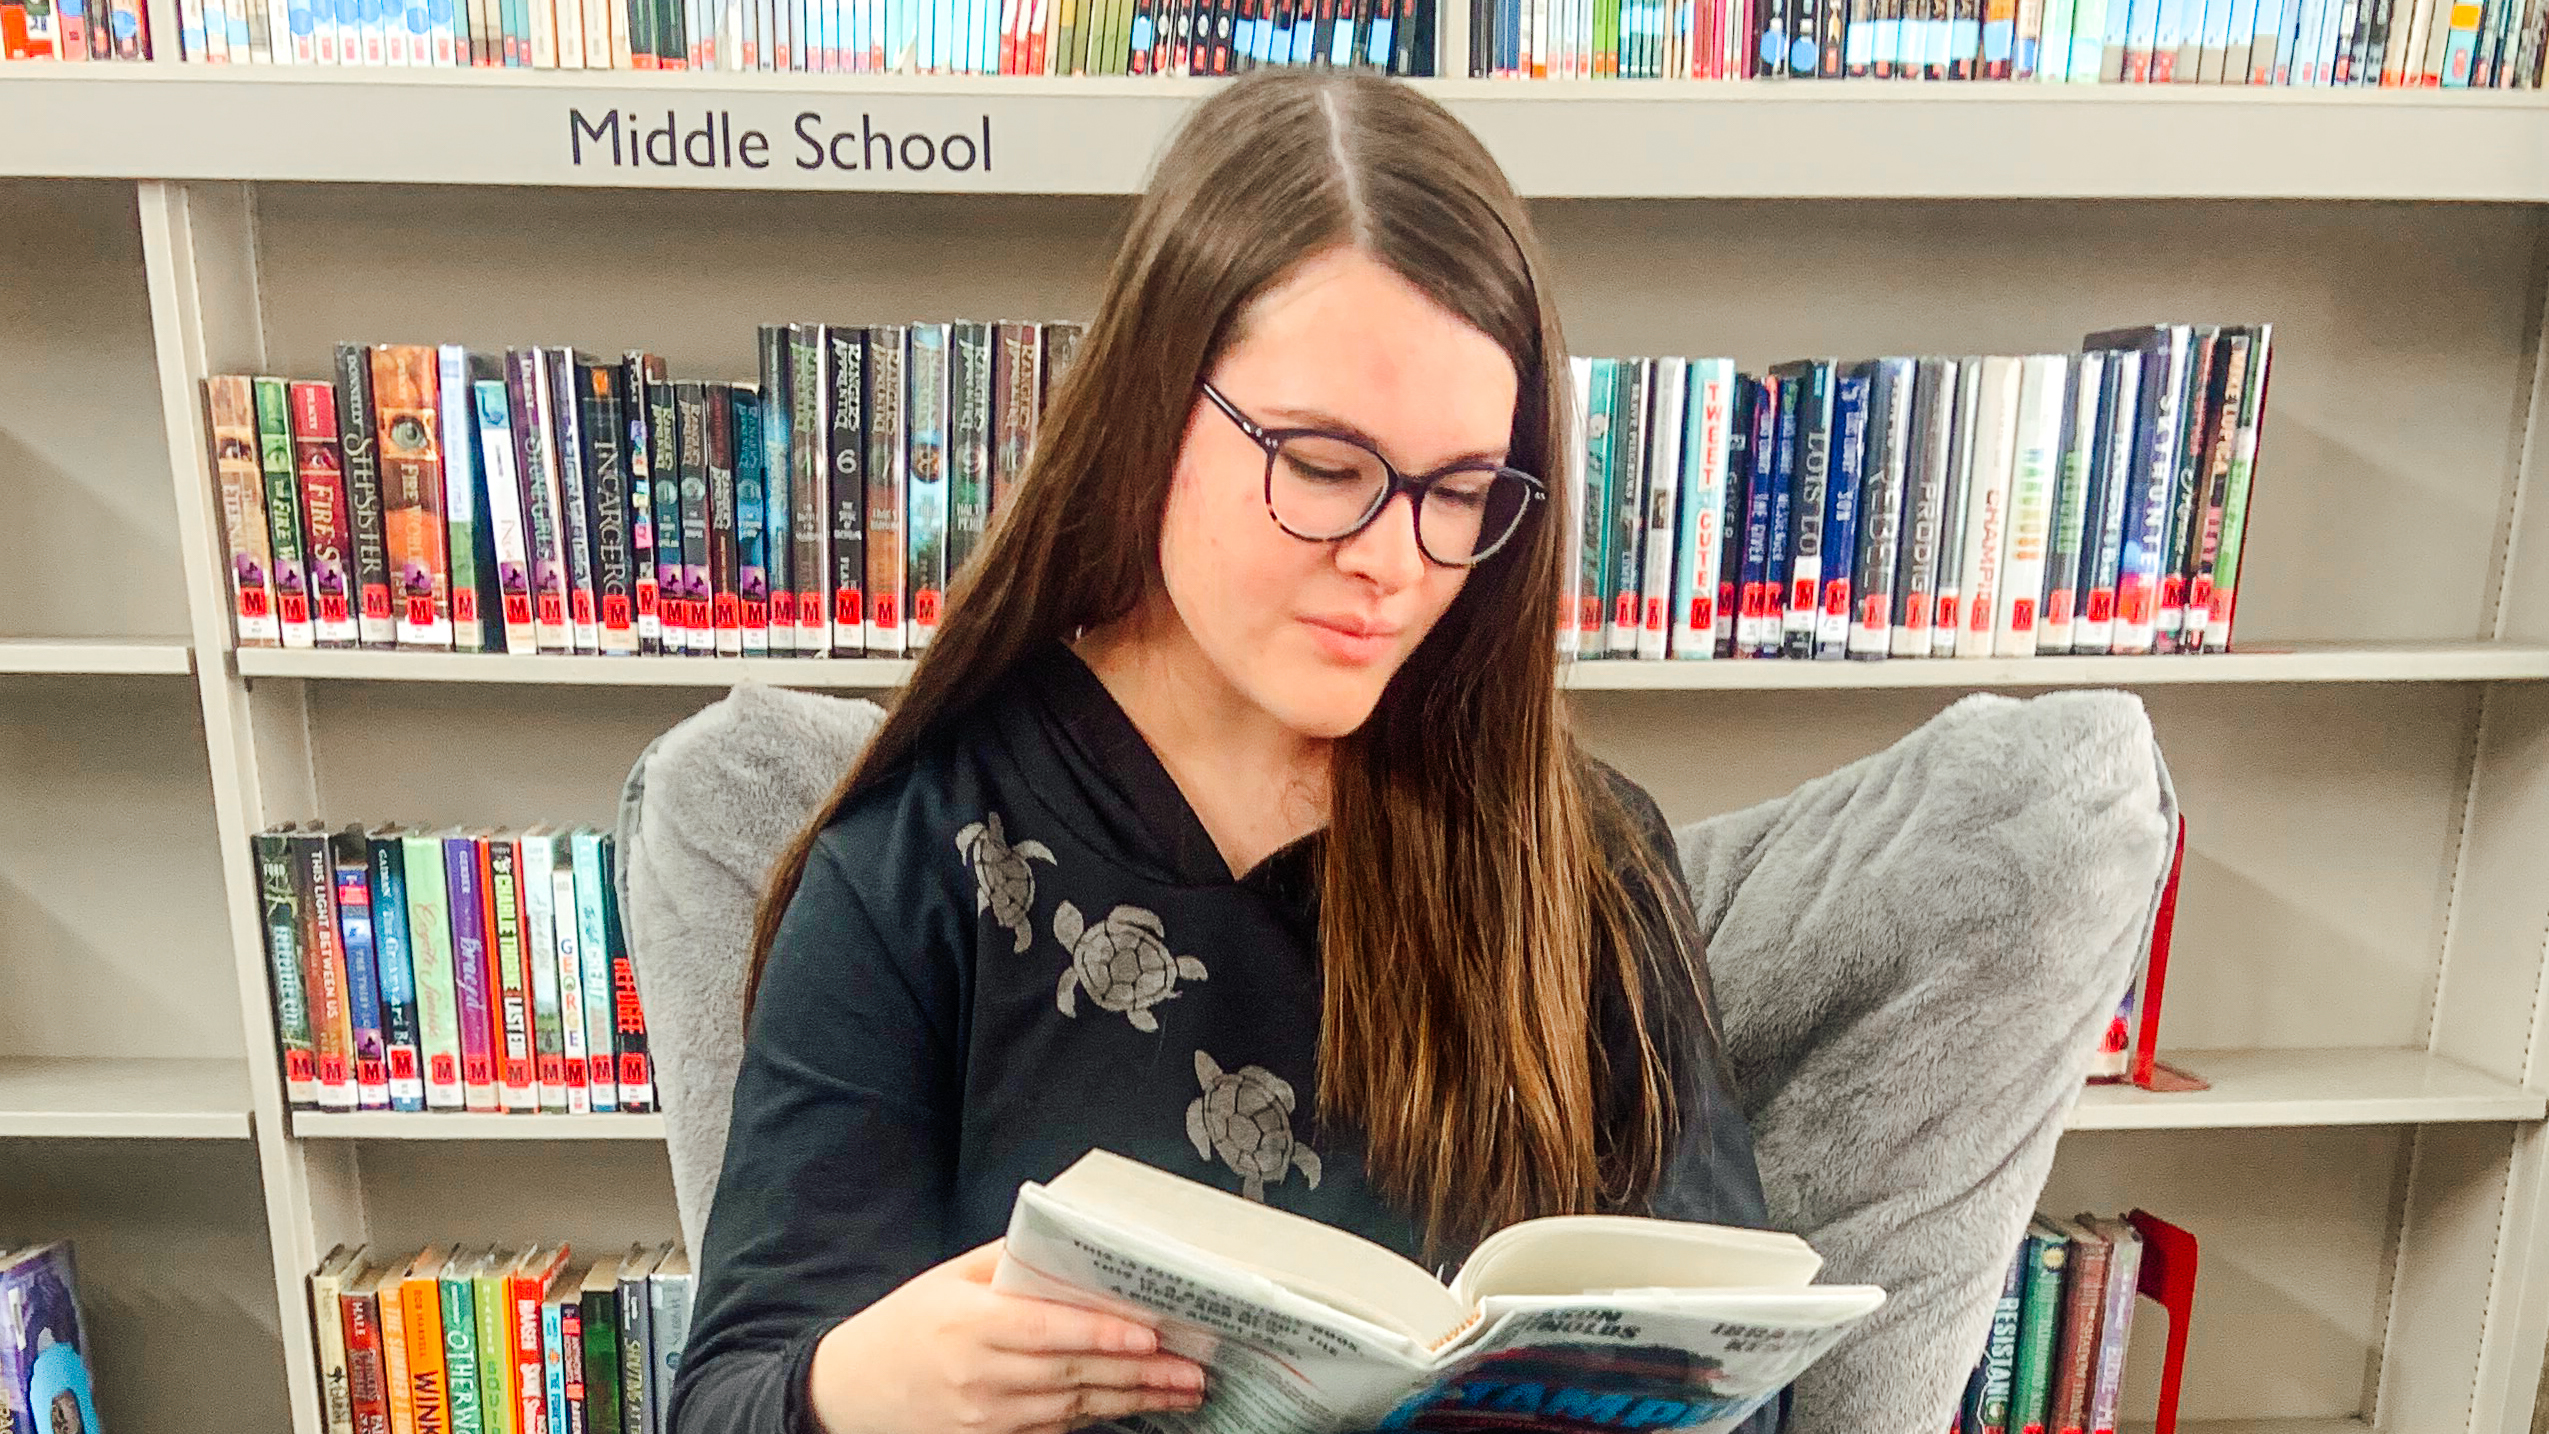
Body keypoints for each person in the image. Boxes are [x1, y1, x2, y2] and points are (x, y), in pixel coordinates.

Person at [671, 70, 1778, 1434]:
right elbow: (727, 1395)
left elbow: (1738, 1375)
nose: (1391, 562)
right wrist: (864, 1386)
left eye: (1460, 492)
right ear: (1151, 411)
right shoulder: (923, 861)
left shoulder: (1580, 857)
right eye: (1322, 465)